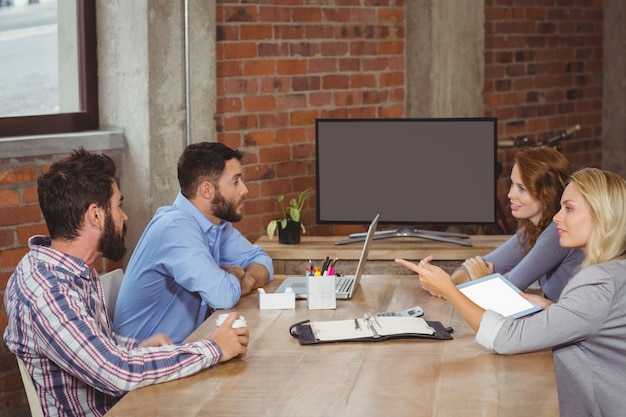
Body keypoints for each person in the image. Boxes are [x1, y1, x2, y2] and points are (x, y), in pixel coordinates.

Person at [3, 148, 249, 417]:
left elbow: (97, 347)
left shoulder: (75, 272)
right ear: (96, 215)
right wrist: (213, 348)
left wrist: (136, 348)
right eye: (118, 205)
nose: (124, 216)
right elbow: (113, 371)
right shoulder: (47, 291)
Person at [396, 167, 626, 417]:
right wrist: (556, 310)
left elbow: (506, 339)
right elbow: (599, 321)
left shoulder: (599, 281)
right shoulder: (613, 270)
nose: (558, 218)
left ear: (604, 216)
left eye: (569, 209)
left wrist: (450, 291)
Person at [113, 142, 273, 343]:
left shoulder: (215, 224)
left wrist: (245, 279)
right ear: (207, 190)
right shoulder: (175, 227)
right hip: (149, 361)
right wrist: (233, 276)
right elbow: (224, 296)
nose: (244, 190)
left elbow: (261, 260)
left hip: (186, 351)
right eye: (236, 181)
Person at [449, 146, 584, 302]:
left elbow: (507, 290)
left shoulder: (557, 232)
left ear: (548, 192)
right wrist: (450, 284)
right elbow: (481, 264)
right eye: (512, 184)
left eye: (521, 188)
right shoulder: (532, 228)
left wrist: (480, 279)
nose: (510, 194)